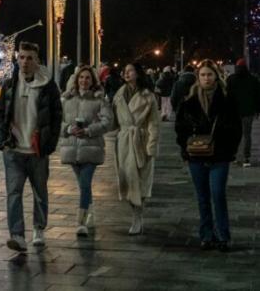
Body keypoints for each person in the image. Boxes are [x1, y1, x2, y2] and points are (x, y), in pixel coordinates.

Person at [0, 42, 63, 251]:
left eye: (30, 58)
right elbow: (1, 114)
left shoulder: (48, 86)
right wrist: (2, 140)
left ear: (37, 61)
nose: (25, 62)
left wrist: (49, 144)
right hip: (14, 150)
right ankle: (17, 235)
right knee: (13, 193)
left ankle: (38, 228)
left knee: (40, 191)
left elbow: (56, 117)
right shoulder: (9, 84)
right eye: (22, 57)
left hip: (37, 150)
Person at [175, 59, 242, 251]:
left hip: (219, 155)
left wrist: (229, 150)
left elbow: (236, 128)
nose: (206, 78)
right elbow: (180, 127)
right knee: (202, 196)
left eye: (209, 74)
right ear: (198, 77)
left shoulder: (227, 99)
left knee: (218, 194)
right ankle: (206, 234)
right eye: (203, 75)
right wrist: (185, 146)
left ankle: (223, 235)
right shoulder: (189, 100)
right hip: (196, 154)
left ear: (216, 76)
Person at [59, 65, 113, 237]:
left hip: (91, 148)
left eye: (87, 78)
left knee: (84, 183)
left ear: (93, 81)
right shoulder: (66, 100)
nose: (84, 80)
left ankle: (80, 222)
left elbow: (108, 122)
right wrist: (68, 129)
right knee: (84, 185)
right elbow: (57, 121)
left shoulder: (99, 100)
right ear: (76, 79)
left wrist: (89, 130)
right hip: (72, 148)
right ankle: (90, 211)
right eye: (81, 77)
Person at [111, 63, 160, 235]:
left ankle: (138, 216)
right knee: (127, 180)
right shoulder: (119, 94)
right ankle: (135, 213)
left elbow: (154, 122)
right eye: (124, 71)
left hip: (141, 141)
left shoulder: (148, 96)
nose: (126, 73)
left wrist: (151, 146)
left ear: (138, 73)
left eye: (130, 70)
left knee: (141, 181)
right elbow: (113, 120)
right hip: (124, 141)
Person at [226, 58, 259, 167]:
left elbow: (227, 96)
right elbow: (258, 97)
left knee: (234, 134)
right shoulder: (253, 80)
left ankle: (234, 155)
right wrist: (257, 110)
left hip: (233, 111)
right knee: (247, 135)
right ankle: (246, 157)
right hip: (248, 111)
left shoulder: (231, 79)